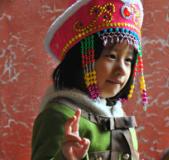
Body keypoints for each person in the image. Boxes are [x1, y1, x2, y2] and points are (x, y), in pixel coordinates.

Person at [31, 0, 148, 160]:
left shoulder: (118, 114)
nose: (122, 70)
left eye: (128, 60)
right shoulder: (60, 116)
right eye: (111, 56)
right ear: (81, 60)